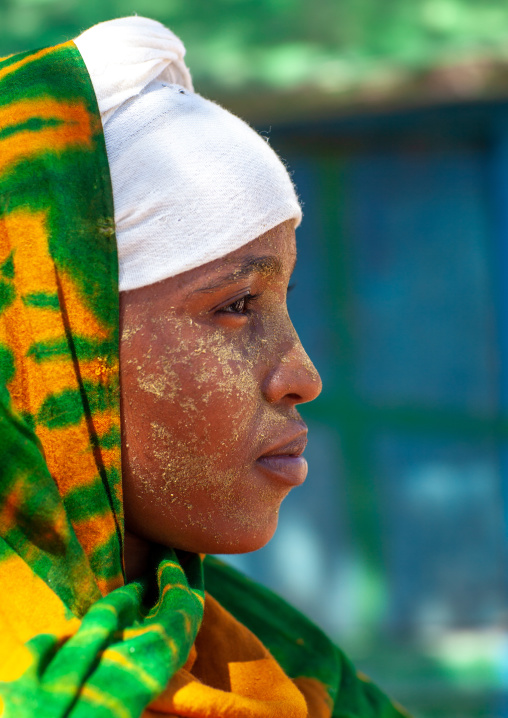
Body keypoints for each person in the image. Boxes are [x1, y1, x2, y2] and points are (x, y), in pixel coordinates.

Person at [0, 16, 409, 718]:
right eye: (236, 305)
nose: (302, 376)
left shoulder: (288, 665)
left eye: (283, 301)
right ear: (56, 354)